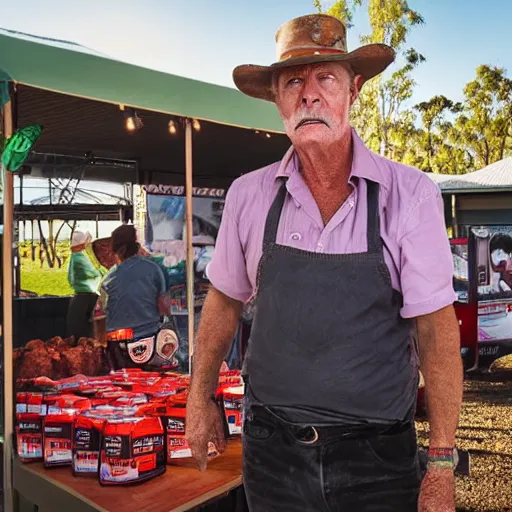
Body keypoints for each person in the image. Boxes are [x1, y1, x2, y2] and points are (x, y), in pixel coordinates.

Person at [186, 14, 463, 512]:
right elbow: (224, 302)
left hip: (378, 458)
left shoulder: (409, 194)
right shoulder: (249, 195)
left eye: (325, 79)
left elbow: (436, 331)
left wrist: (441, 462)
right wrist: (198, 396)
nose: (309, 95)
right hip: (271, 454)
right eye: (294, 81)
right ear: (277, 99)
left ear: (352, 91)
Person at [94, 224, 178, 370]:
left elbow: (100, 313)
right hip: (151, 339)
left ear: (117, 252)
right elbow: (164, 307)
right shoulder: (155, 269)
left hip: (118, 346)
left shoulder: (108, 279)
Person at [66, 230, 102, 340]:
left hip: (82, 297)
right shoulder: (80, 258)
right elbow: (96, 273)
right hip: (85, 297)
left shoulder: (77, 257)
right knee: (84, 335)